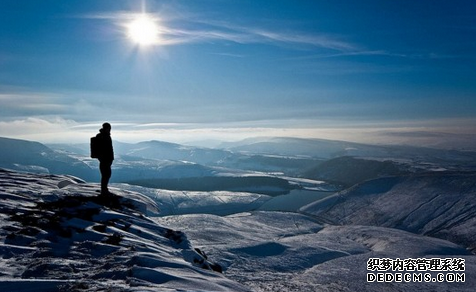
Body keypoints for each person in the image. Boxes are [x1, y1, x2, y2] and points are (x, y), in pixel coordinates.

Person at [95, 122, 114, 195]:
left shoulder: (105, 135)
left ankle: (104, 189)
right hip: (104, 159)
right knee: (106, 175)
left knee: (106, 175)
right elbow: (104, 148)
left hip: (106, 159)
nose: (110, 129)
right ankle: (104, 190)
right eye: (109, 128)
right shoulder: (102, 136)